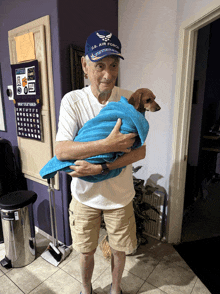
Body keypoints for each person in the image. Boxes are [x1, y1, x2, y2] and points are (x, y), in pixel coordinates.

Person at [55, 30, 146, 294]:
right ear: (85, 65)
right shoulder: (72, 100)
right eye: (99, 66)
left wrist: (101, 167)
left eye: (114, 65)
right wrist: (109, 145)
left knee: (119, 250)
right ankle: (86, 289)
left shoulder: (130, 99)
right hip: (84, 197)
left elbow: (139, 152)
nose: (108, 74)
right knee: (85, 251)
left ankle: (115, 289)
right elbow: (61, 151)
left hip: (120, 197)